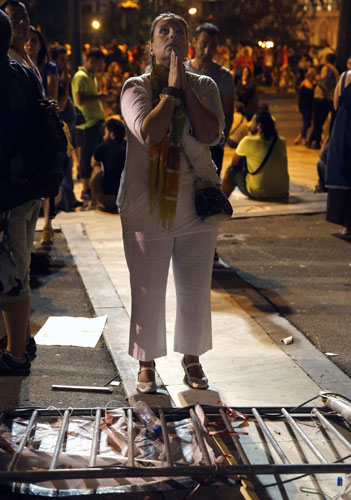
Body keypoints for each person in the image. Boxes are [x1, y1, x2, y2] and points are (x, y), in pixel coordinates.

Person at [119, 12, 225, 393]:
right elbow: (150, 132)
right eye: (163, 31)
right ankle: (146, 362)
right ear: (151, 46)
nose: (172, 36)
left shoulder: (206, 85)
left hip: (196, 203)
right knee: (148, 285)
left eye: (179, 31)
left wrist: (185, 88)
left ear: (189, 43)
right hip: (146, 204)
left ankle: (192, 359)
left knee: (195, 285)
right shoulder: (135, 87)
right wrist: (170, 91)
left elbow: (211, 133)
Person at [0, 10, 42, 375]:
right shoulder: (26, 73)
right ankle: (20, 342)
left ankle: (15, 355)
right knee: (19, 270)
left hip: (7, 195)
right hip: (29, 190)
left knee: (10, 274)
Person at [185, 22, 234, 178]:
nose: (207, 50)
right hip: (185, 141)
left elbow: (228, 112)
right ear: (194, 42)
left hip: (212, 144)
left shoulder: (224, 76)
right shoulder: (181, 70)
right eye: (203, 44)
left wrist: (220, 140)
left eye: (212, 46)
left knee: (210, 188)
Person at [25, 26, 59, 246]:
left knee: (47, 175)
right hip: (25, 126)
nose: (30, 44)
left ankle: (47, 223)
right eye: (27, 40)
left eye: (34, 40)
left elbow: (52, 97)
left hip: (43, 126)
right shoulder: (15, 64)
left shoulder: (49, 67)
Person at [222, 110, 289, 200]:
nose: (250, 125)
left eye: (253, 122)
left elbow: (234, 163)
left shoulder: (248, 141)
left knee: (231, 172)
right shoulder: (282, 141)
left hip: (259, 191)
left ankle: (222, 201)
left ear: (259, 126)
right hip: (282, 191)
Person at [71, 49, 108, 202]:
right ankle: (86, 191)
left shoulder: (90, 76)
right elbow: (80, 101)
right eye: (99, 63)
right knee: (86, 158)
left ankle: (93, 191)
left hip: (95, 123)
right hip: (87, 125)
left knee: (95, 158)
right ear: (92, 60)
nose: (100, 67)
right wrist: (100, 96)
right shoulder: (81, 77)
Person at [49, 45, 82, 213]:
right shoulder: (56, 78)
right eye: (62, 60)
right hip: (61, 130)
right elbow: (60, 105)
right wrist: (66, 83)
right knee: (65, 165)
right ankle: (65, 201)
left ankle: (70, 199)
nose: (66, 63)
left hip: (69, 128)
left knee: (69, 165)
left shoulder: (61, 76)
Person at [325, 70, 351, 236]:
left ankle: (346, 224)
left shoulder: (344, 78)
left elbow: (335, 105)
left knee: (343, 174)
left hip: (344, 129)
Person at [89, 118, 126, 213]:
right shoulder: (129, 146)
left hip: (109, 198)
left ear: (112, 134)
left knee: (96, 168)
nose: (104, 136)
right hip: (130, 197)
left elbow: (93, 162)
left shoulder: (103, 147)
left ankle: (93, 203)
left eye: (105, 132)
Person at [307, 53, 339, 150]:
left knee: (318, 121)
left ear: (326, 60)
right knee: (320, 121)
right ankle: (313, 140)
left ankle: (316, 141)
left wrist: (318, 82)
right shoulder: (335, 70)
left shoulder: (327, 68)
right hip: (330, 99)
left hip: (324, 98)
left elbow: (327, 83)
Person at [294, 68, 316, 145]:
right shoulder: (308, 85)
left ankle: (302, 138)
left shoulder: (304, 83)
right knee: (306, 122)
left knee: (307, 122)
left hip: (304, 105)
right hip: (306, 106)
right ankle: (300, 138)